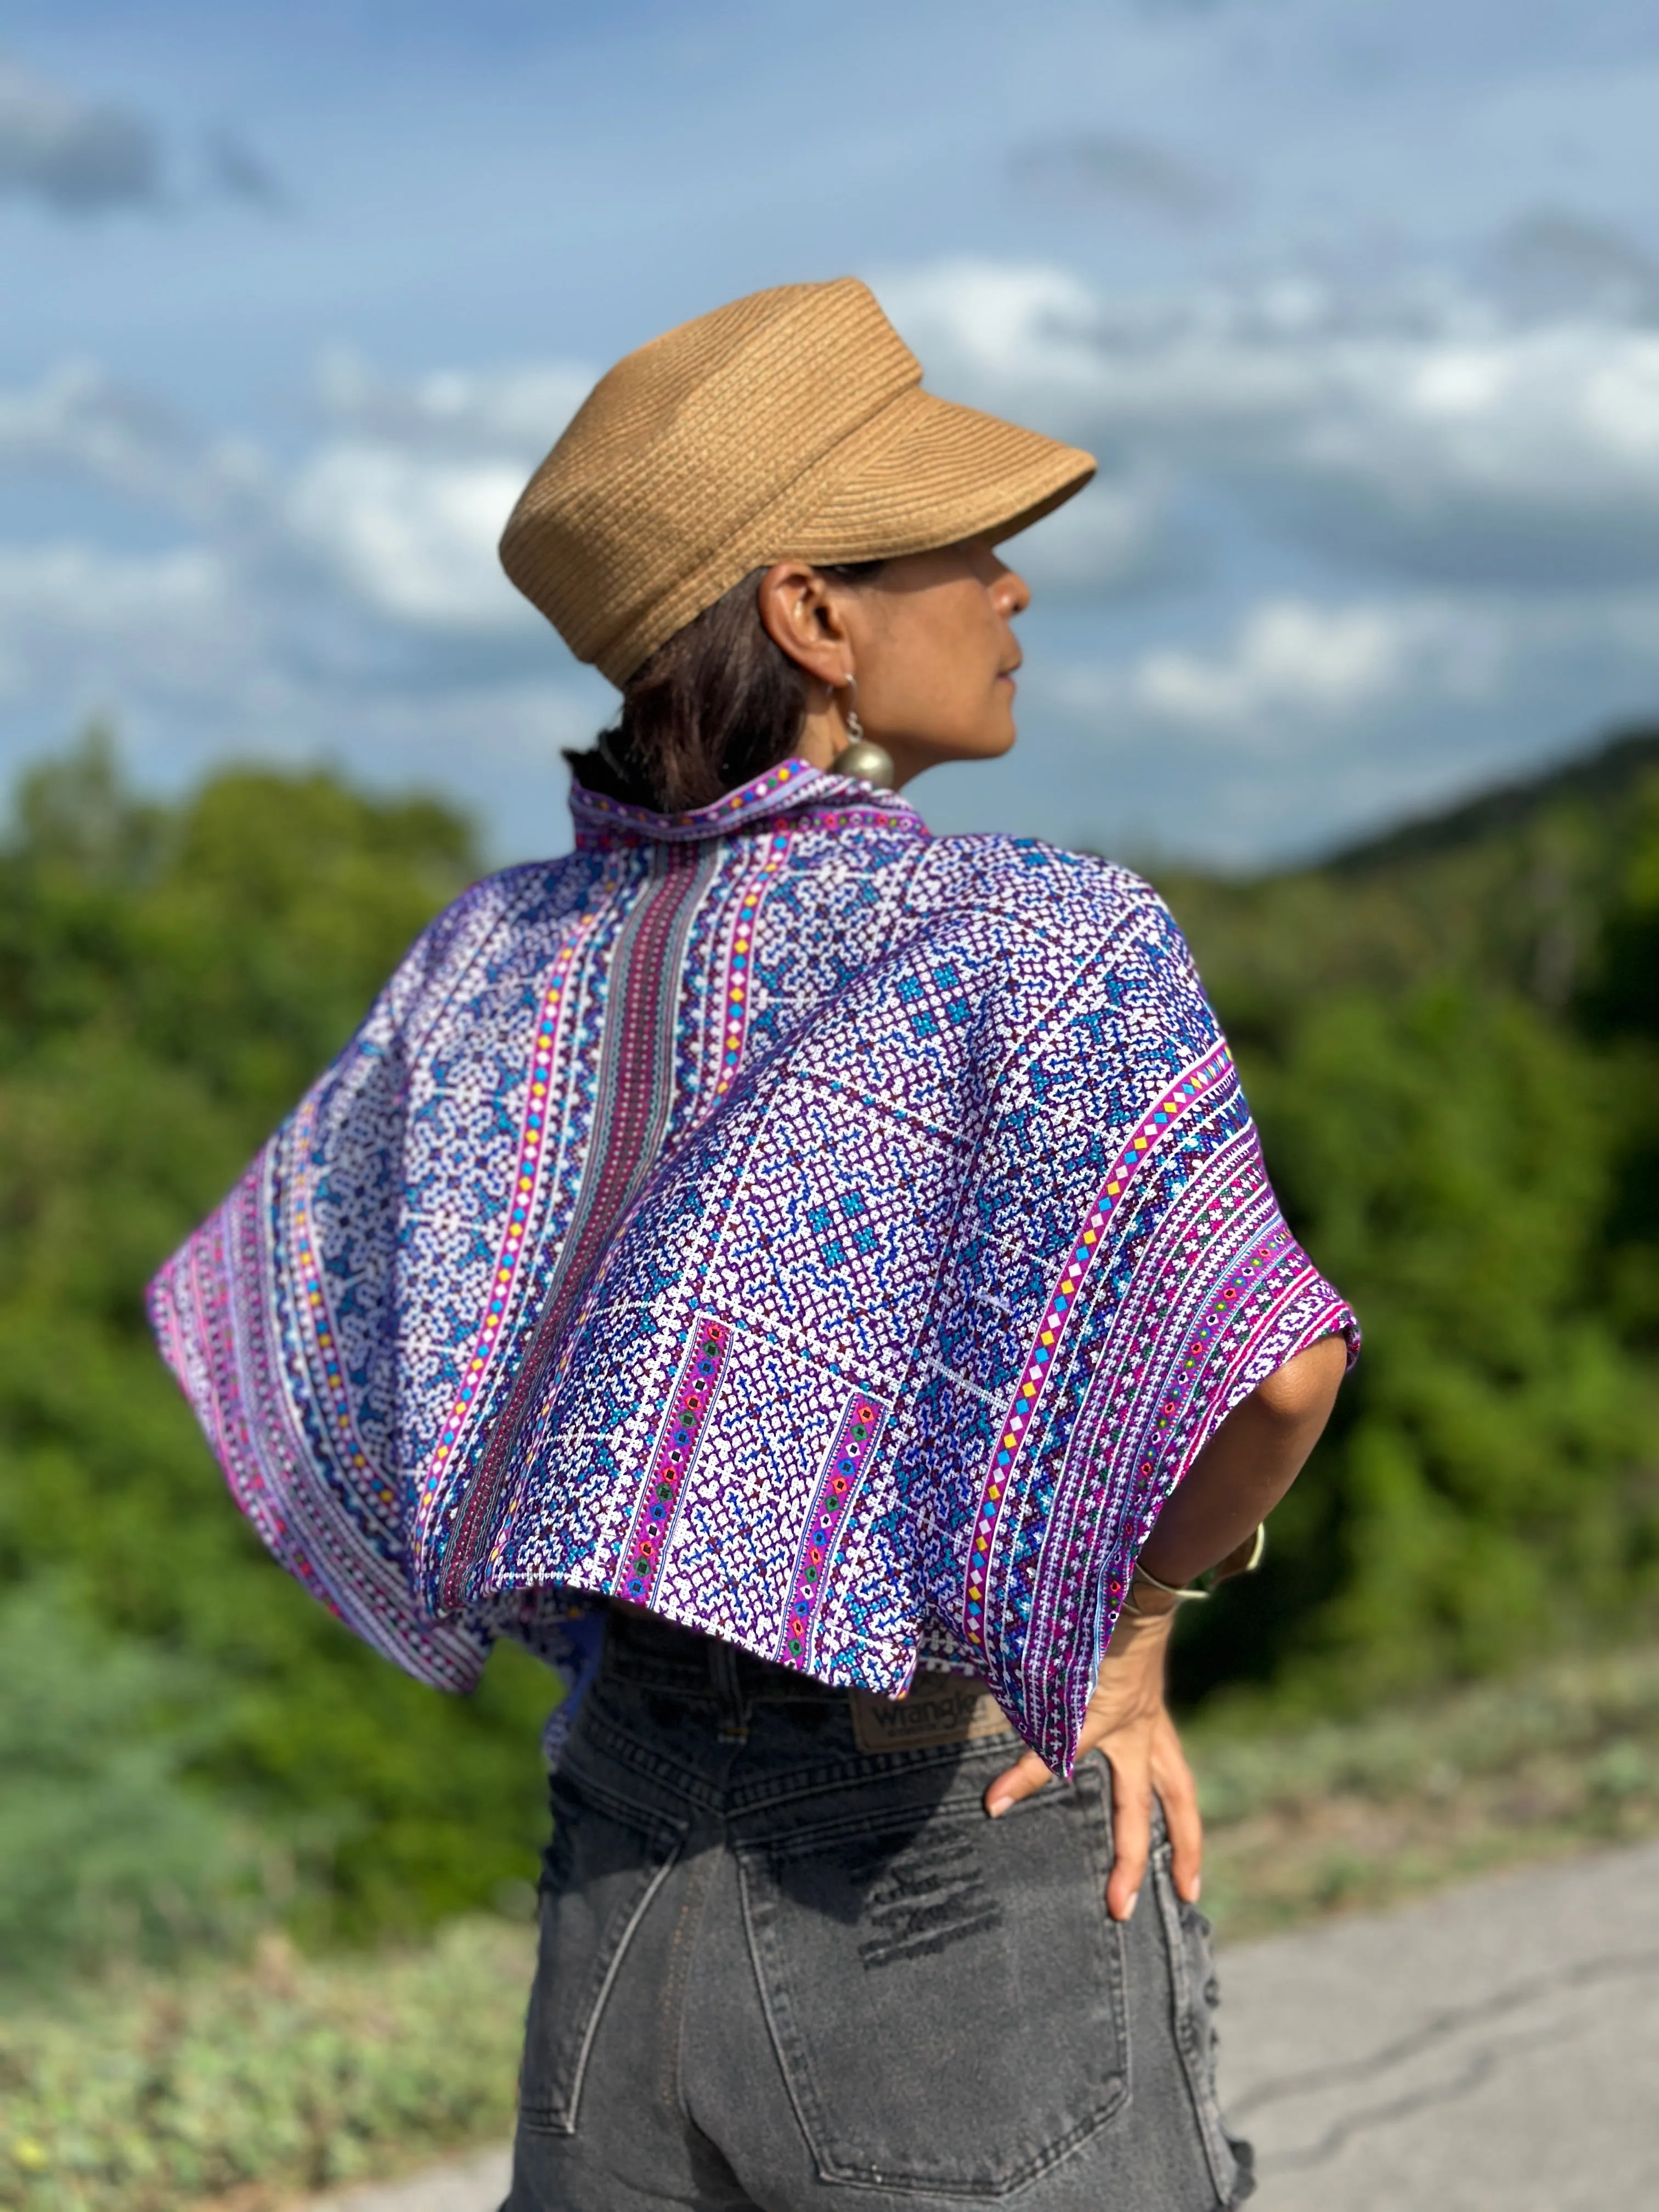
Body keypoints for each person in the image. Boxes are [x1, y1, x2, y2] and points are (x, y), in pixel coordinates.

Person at [150, 278, 1355, 2212]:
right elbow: (1278, 1369)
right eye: (962, 542)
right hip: (938, 1875)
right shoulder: (1035, 938)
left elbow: (286, 1311)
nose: (1012, 587)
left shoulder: (486, 959)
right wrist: (1129, 1644)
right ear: (812, 615)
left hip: (614, 1870)